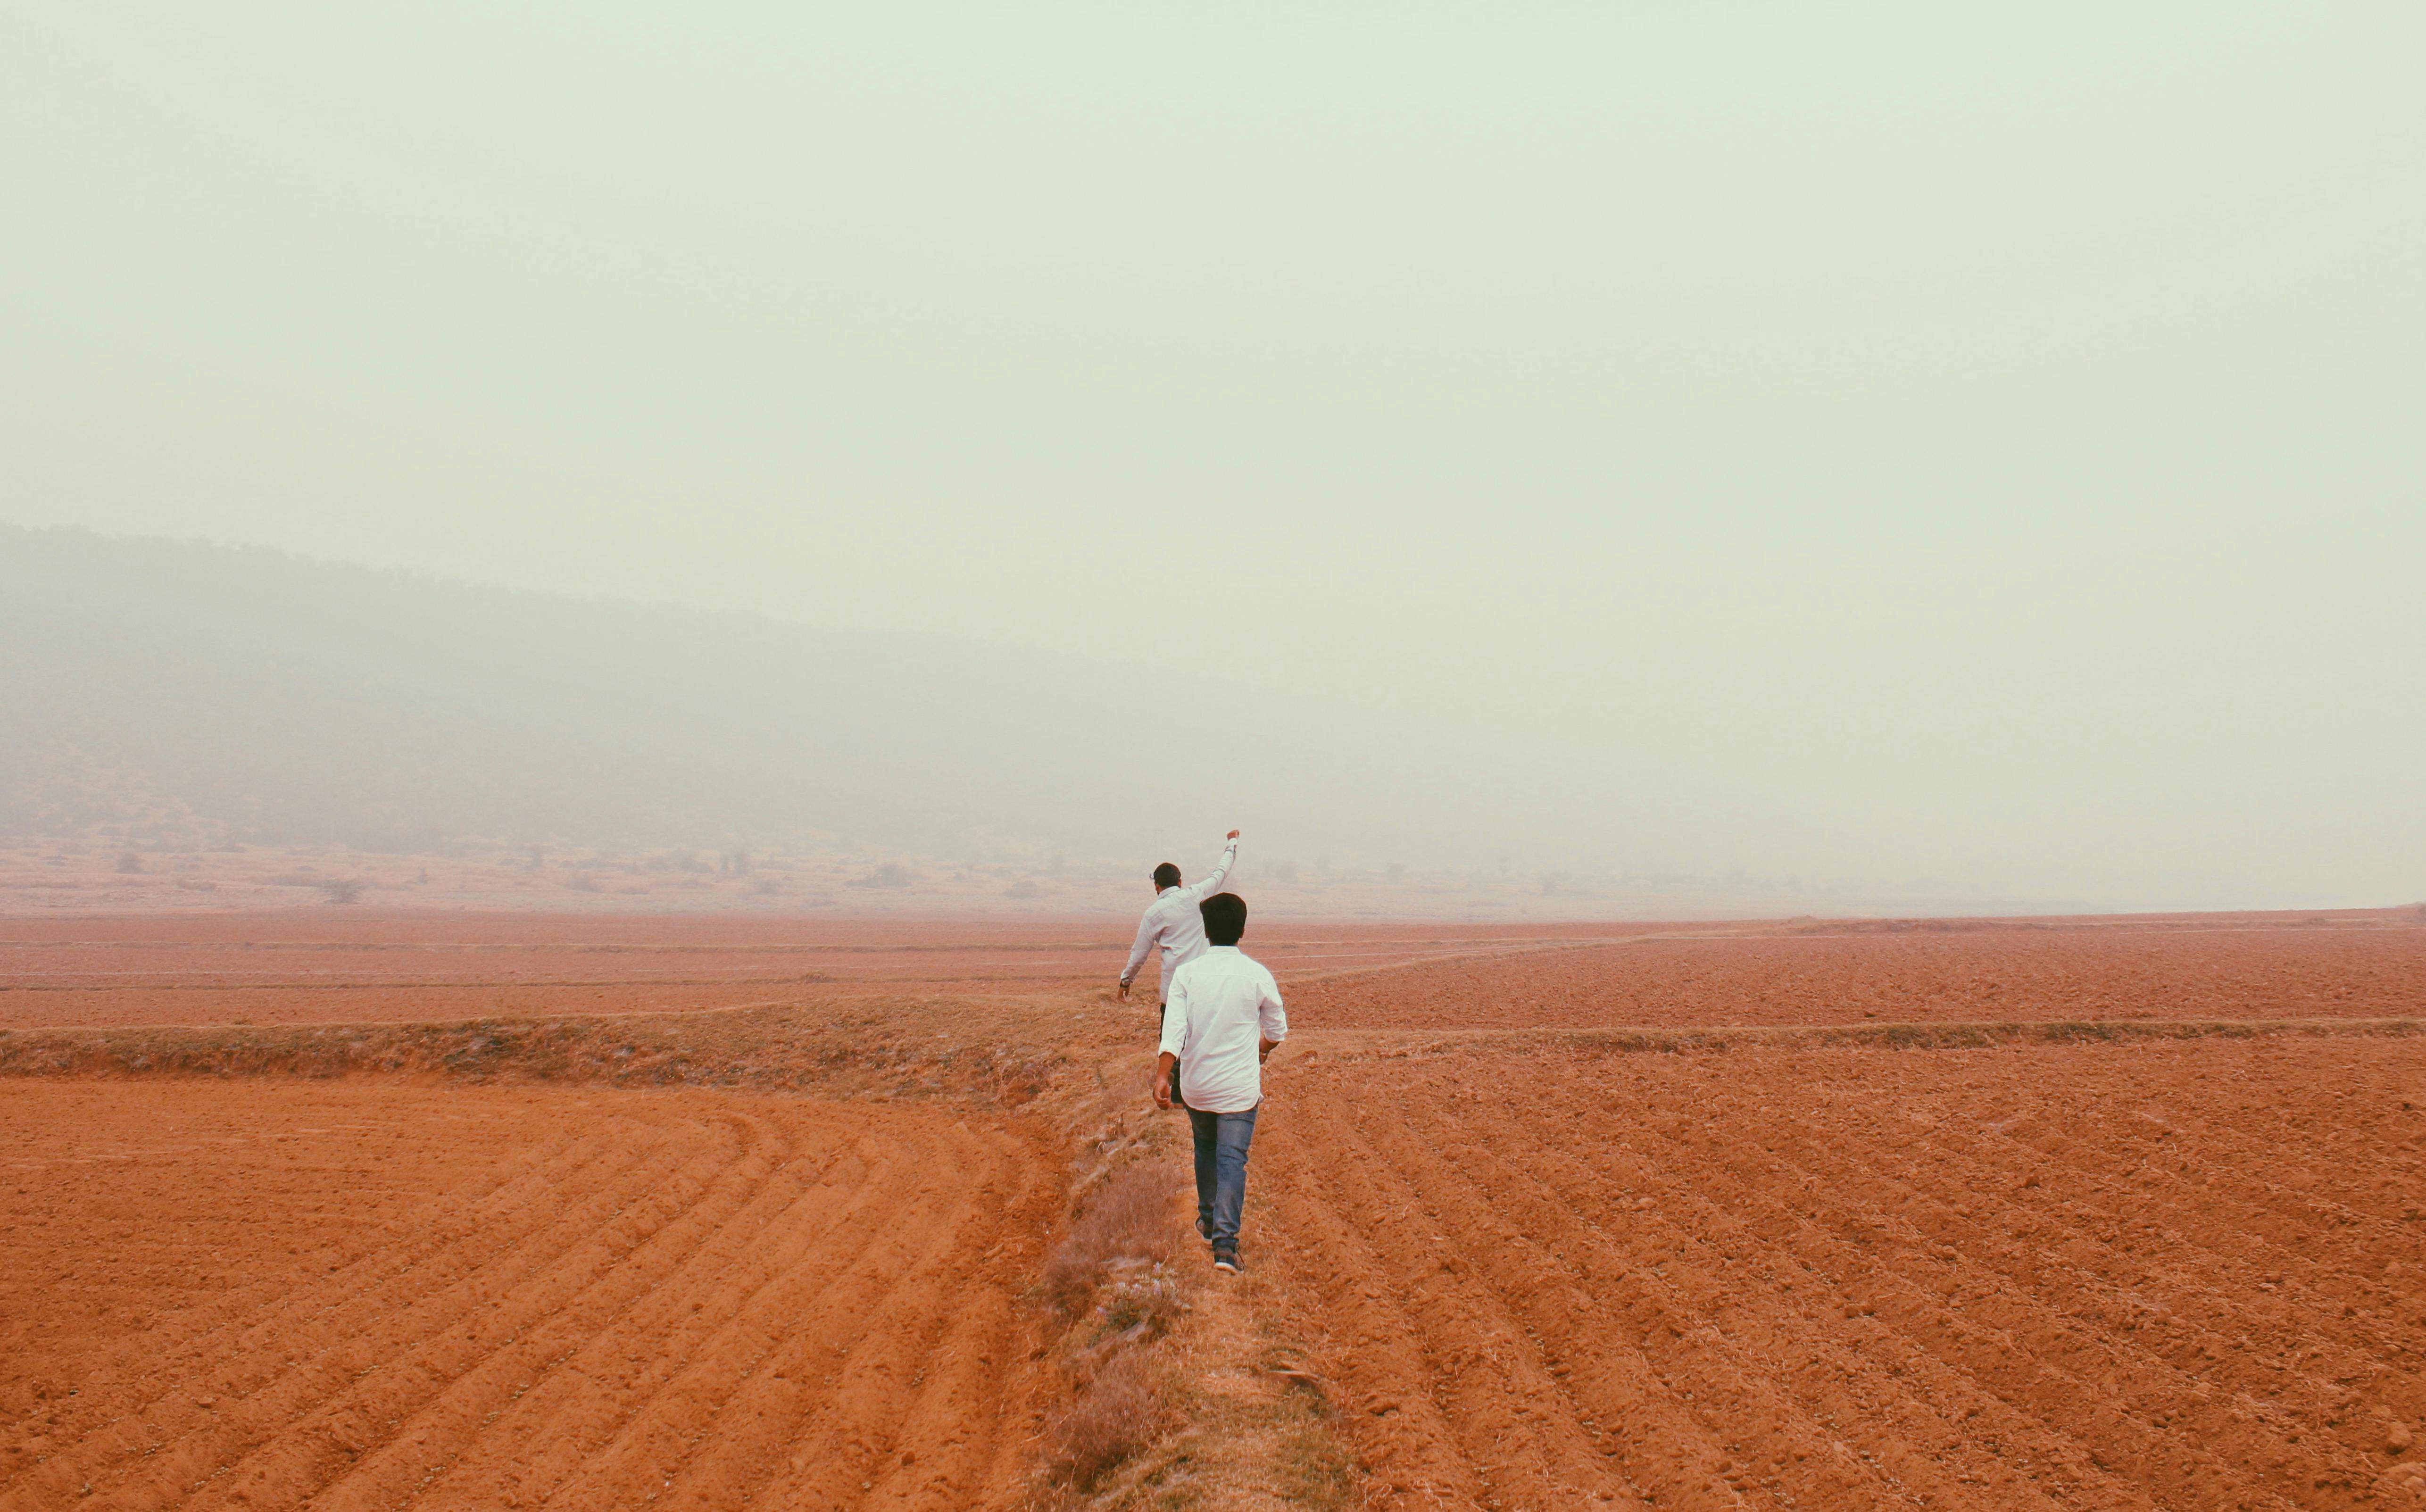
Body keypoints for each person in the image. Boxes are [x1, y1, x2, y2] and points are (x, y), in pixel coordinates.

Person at [1154, 891, 1285, 1274]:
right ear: (1243, 930)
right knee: (1232, 1160)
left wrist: (1164, 1076)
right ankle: (1226, 1248)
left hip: (1197, 1087)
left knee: (1205, 1147)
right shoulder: (1257, 974)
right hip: (1239, 1090)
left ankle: (1209, 1222)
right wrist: (1260, 1050)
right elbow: (1277, 1029)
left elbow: (1173, 1030)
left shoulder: (1187, 974)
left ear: (1206, 931)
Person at [1116, 829, 1239, 1009]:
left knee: (1170, 1038)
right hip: (1204, 991)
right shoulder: (1198, 894)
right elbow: (1221, 871)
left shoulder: (1153, 914)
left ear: (1157, 886)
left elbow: (1139, 955)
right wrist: (1232, 842)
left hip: (1174, 994)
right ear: (1180, 882)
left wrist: (1126, 981)